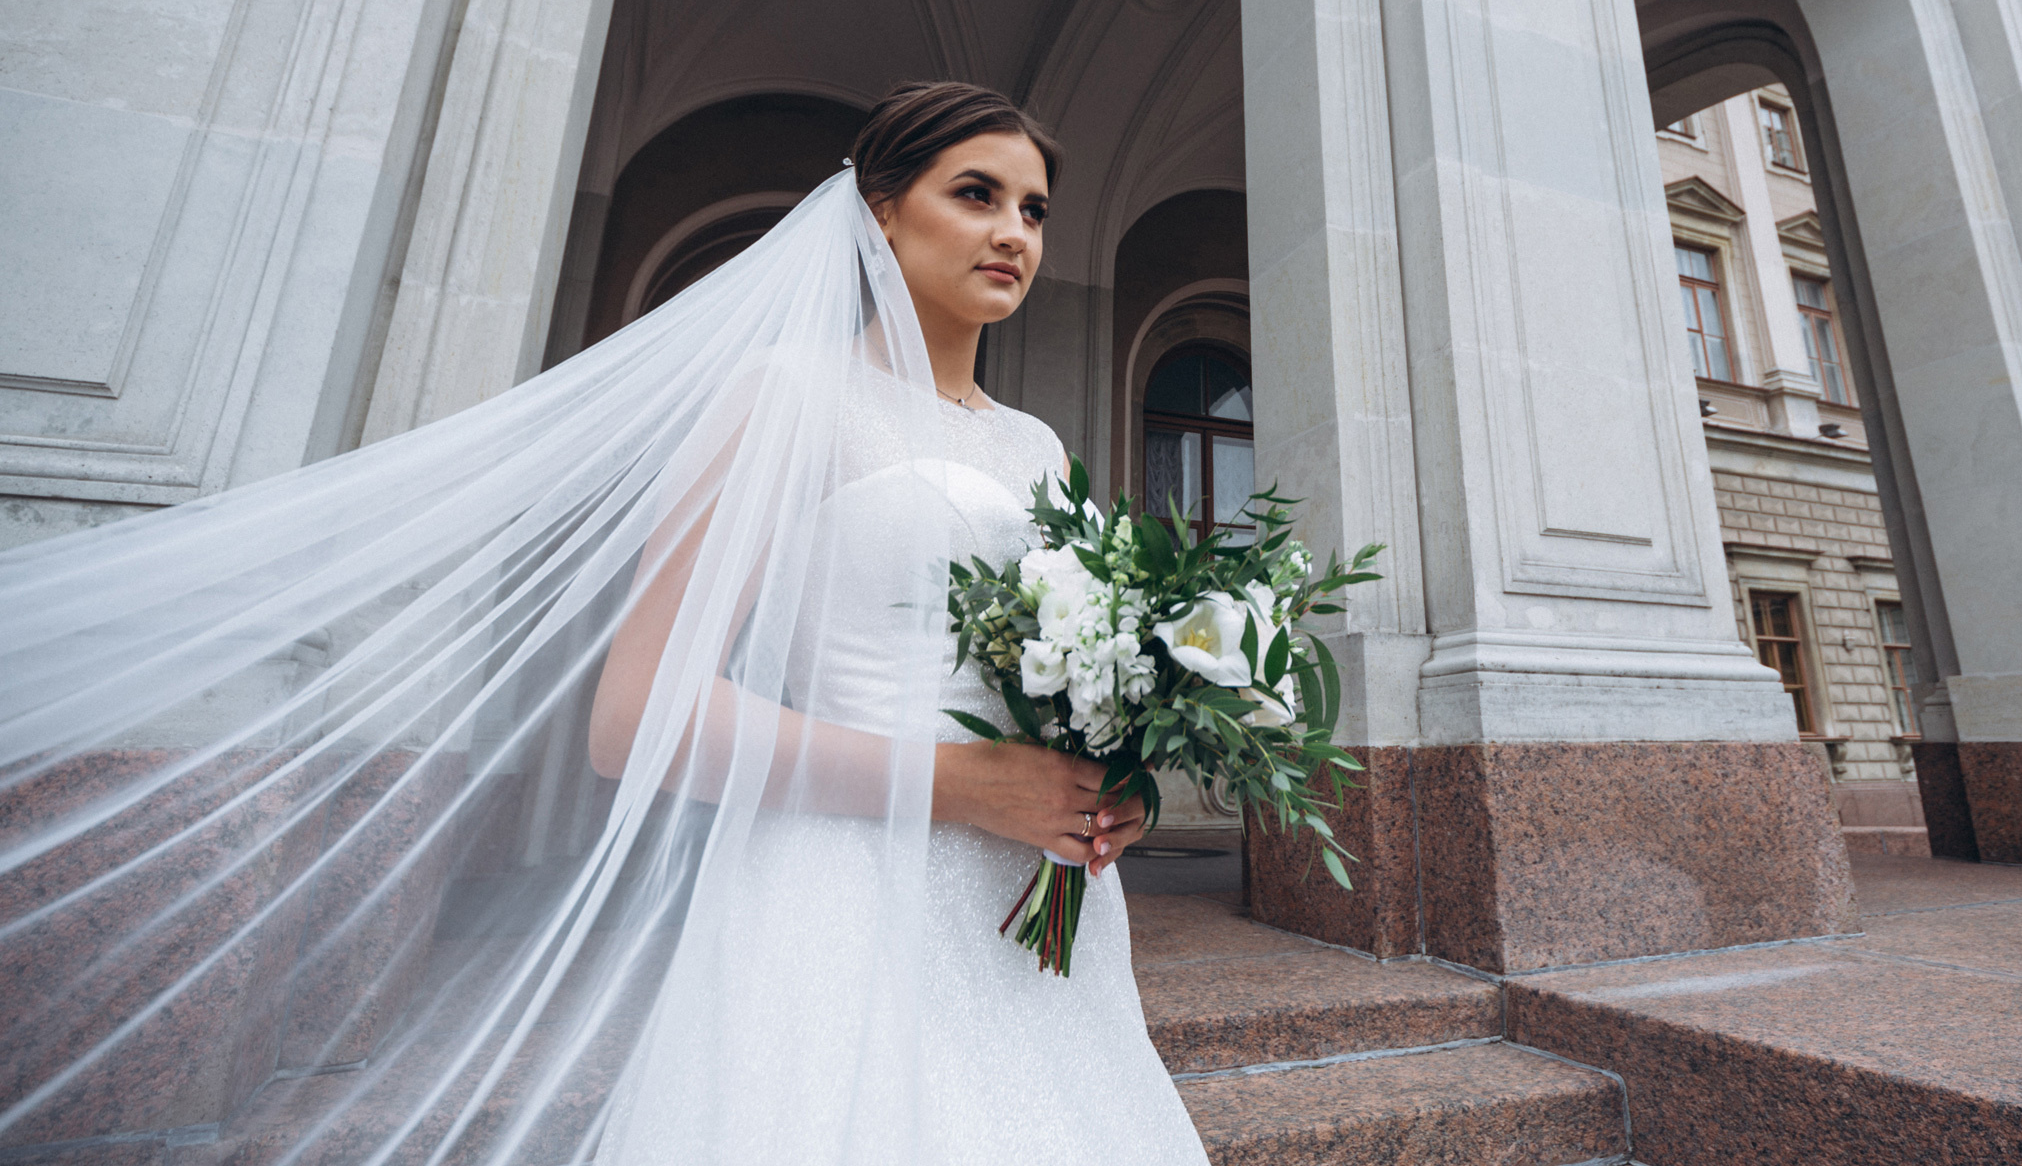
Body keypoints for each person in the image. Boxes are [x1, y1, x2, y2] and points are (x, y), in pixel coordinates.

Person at [0, 81, 1210, 1163]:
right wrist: (960, 785)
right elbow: (638, 720)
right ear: (882, 210)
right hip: (845, 895)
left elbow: (1064, 672)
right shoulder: (782, 398)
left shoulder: (1036, 446)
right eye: (977, 193)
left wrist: (1118, 783)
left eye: (1037, 210)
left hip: (1037, 912)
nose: (1013, 231)